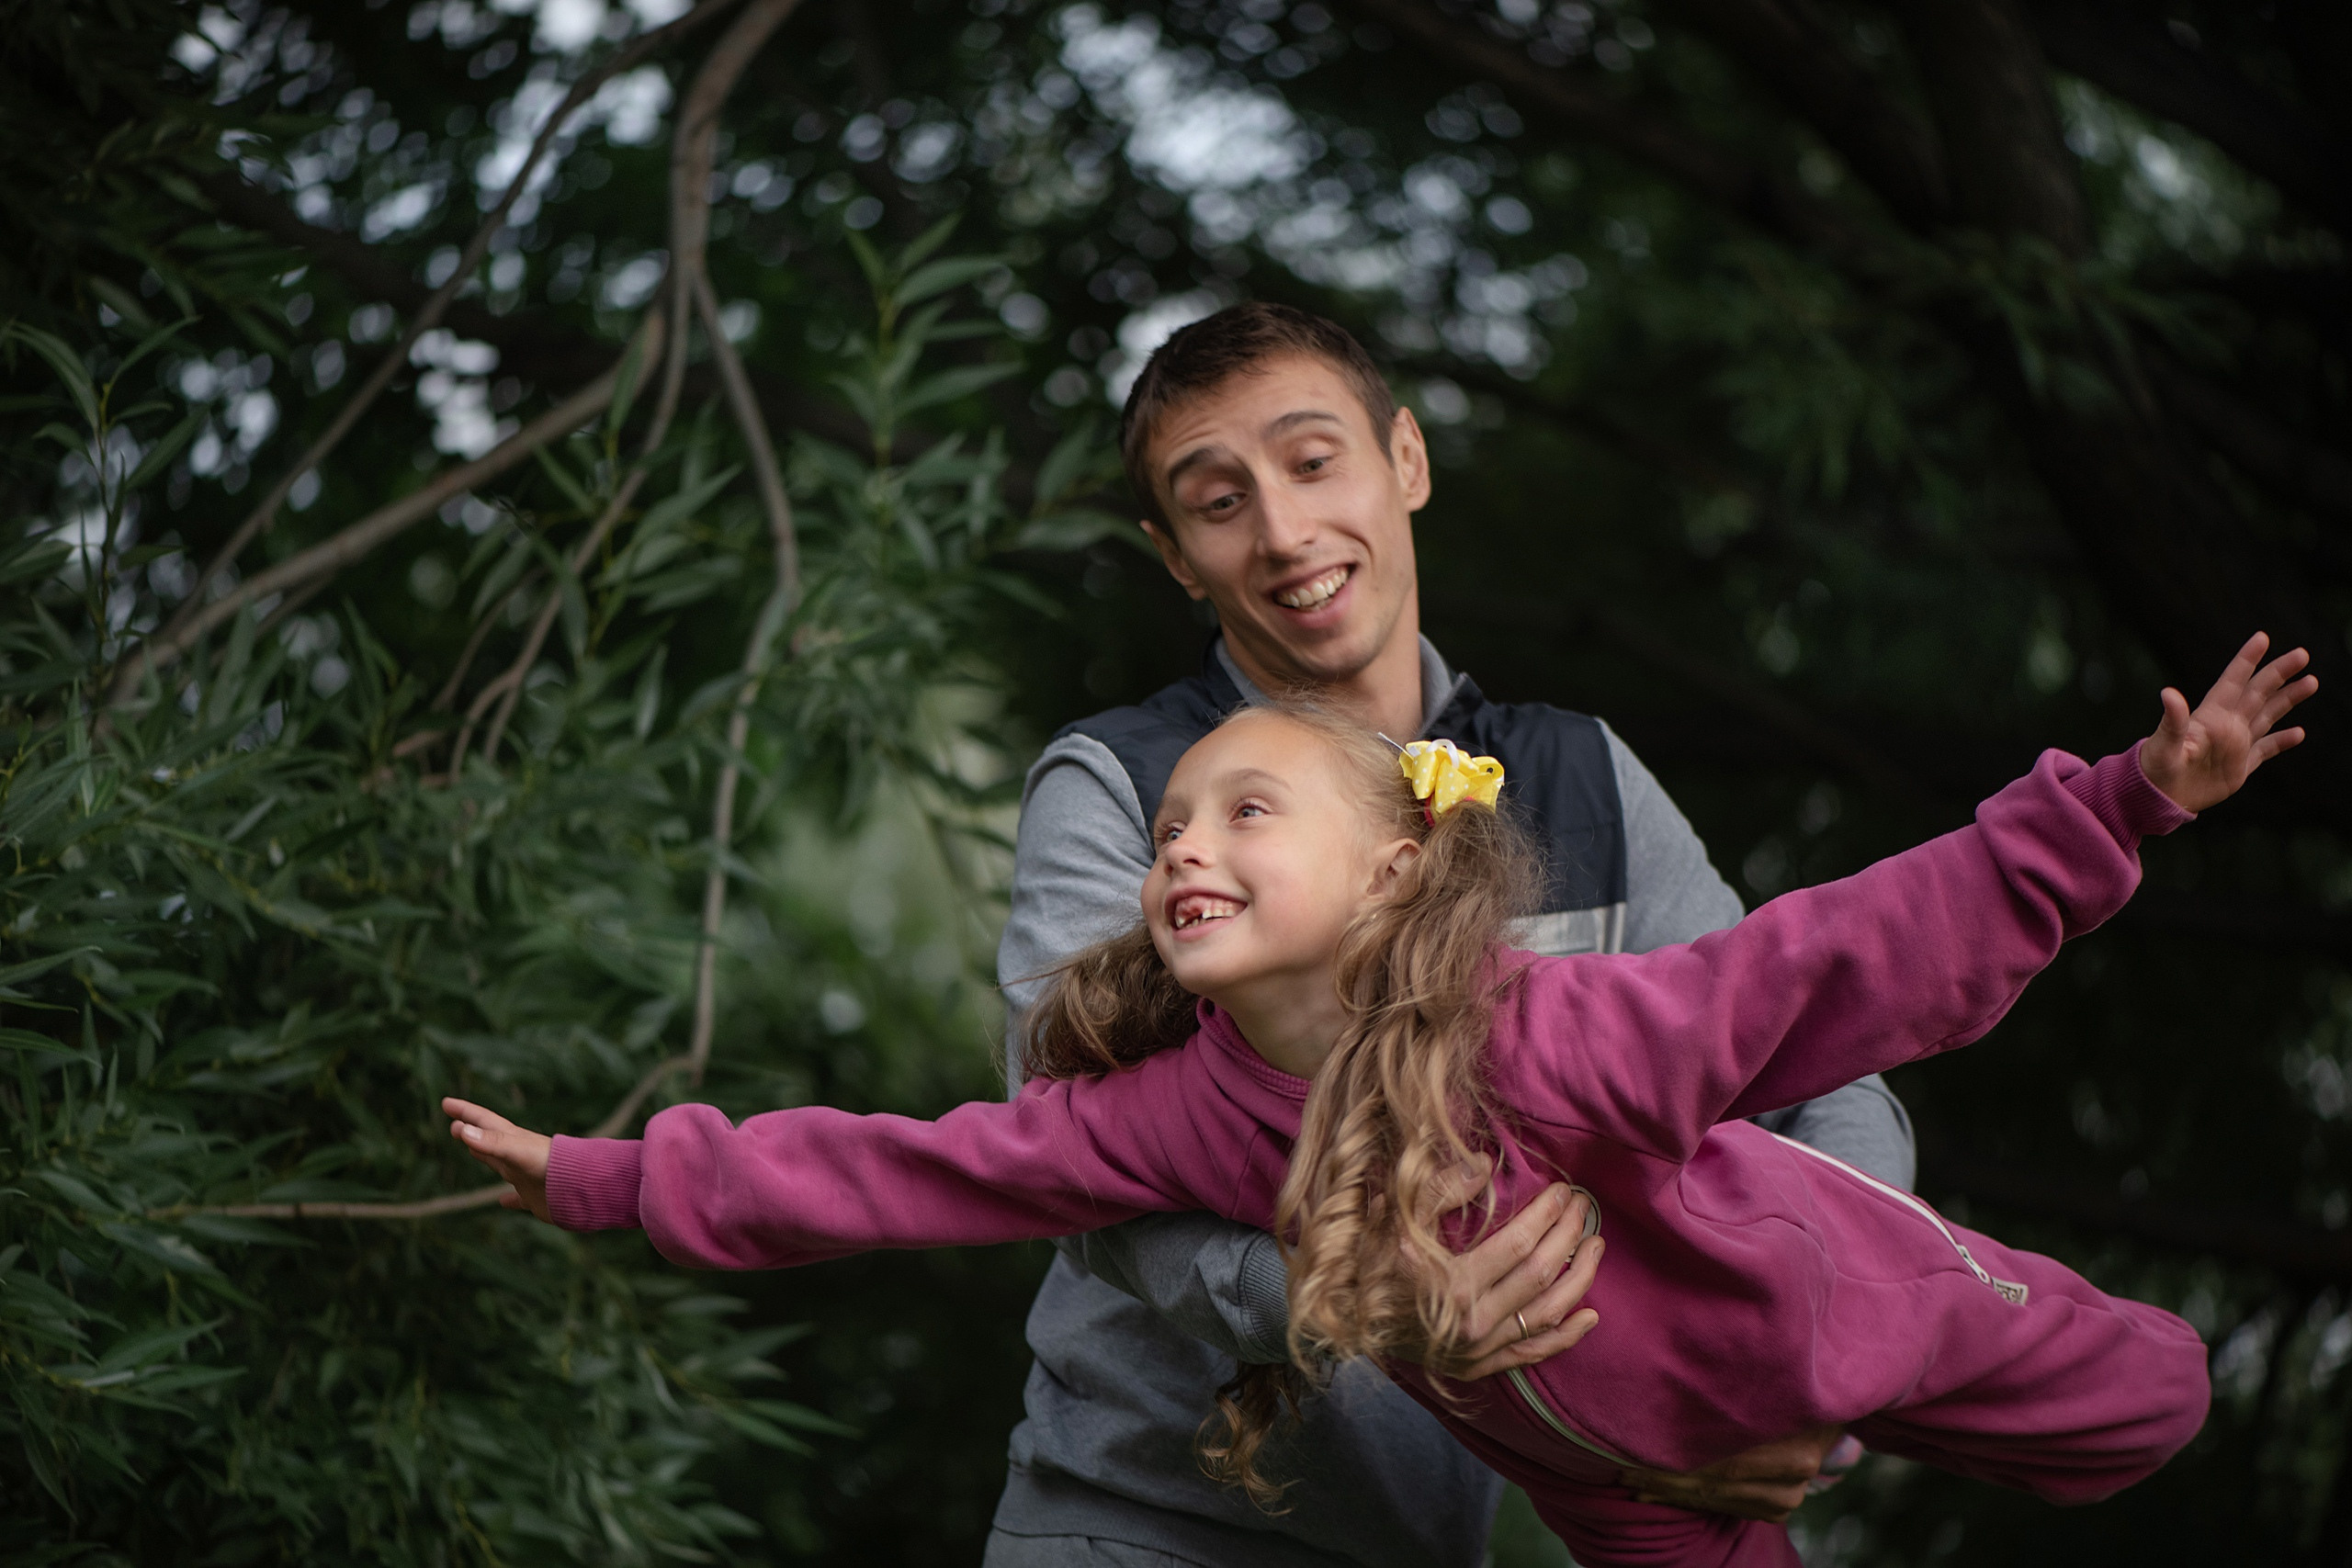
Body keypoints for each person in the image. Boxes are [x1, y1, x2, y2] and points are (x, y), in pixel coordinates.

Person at [443, 628, 2308, 1567]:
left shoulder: (1541, 1027)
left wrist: (2116, 803)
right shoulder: (1173, 1114)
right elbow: (890, 1172)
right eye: (1173, 822)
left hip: (1838, 1303)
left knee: (2138, 1404)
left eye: (1244, 810)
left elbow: (1837, 962)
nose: (1184, 840)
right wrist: (608, 1176)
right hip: (1616, 1487)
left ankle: (2067, 1362)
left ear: (1393, 874)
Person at [985, 301, 1914, 1568]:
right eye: (1219, 501)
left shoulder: (1580, 774)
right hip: (1146, 1531)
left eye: (1316, 463)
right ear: (1176, 556)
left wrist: (1816, 1357)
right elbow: (1067, 1169)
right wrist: (1356, 1301)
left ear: (1406, 461)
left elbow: (1818, 1070)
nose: (1285, 531)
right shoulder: (1126, 786)